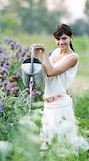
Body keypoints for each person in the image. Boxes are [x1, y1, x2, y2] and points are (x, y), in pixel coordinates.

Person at [33, 23, 86, 152]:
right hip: (48, 104)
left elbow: (52, 72)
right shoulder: (56, 52)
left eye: (64, 38)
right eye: (58, 39)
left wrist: (45, 51)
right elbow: (45, 71)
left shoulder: (73, 57)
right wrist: (38, 56)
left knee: (62, 147)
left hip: (60, 104)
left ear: (71, 38)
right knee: (47, 145)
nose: (61, 42)